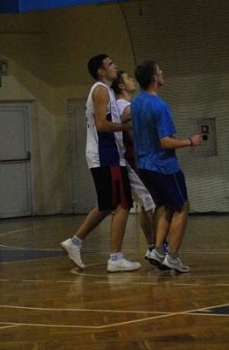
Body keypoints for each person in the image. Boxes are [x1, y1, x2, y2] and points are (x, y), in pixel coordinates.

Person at [60, 54, 141, 273]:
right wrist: (127, 128)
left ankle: (75, 241)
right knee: (123, 203)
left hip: (108, 154)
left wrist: (129, 118)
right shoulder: (101, 90)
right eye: (110, 64)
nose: (115, 66)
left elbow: (110, 120)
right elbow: (102, 125)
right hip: (106, 155)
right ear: (101, 71)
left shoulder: (107, 92)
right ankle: (115, 257)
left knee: (107, 204)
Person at [131, 60, 202, 273]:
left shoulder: (137, 102)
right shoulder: (160, 106)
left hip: (143, 165)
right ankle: (173, 256)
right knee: (181, 207)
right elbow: (165, 141)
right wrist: (190, 141)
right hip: (163, 166)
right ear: (154, 78)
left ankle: (158, 249)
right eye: (159, 70)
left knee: (164, 205)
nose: (162, 72)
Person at [111, 71, 158, 257]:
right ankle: (156, 246)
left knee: (146, 204)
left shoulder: (124, 105)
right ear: (121, 86)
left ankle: (153, 245)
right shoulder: (125, 106)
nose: (133, 80)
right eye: (129, 78)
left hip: (132, 158)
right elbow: (131, 134)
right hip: (133, 158)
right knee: (151, 202)